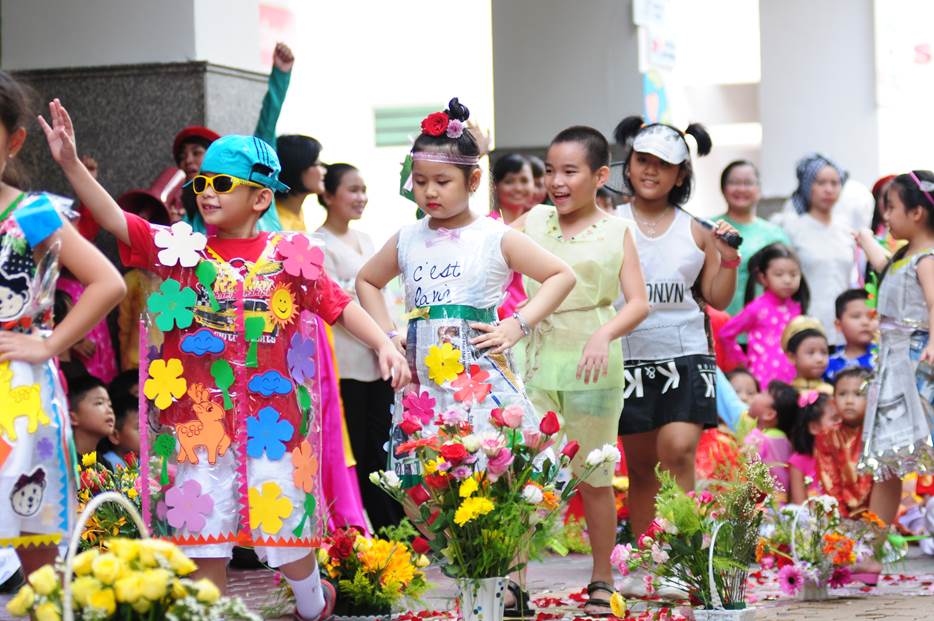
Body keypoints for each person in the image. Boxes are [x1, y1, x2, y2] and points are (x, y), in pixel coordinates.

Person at [42, 100, 409, 621]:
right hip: (197, 425)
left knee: (282, 529)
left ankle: (312, 600)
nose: (207, 191)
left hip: (273, 424)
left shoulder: (291, 257)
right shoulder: (180, 249)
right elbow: (115, 222)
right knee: (201, 535)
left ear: (261, 198)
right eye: (203, 182)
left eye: (222, 183)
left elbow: (341, 306)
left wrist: (383, 343)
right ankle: (207, 613)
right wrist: (72, 165)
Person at [356, 98, 576, 617]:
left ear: (474, 182)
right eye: (421, 180)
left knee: (497, 472)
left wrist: (516, 325)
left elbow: (561, 276)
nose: (429, 191)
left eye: (443, 181)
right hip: (423, 382)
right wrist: (387, 340)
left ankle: (506, 579)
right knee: (424, 480)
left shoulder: (495, 235)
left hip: (480, 375)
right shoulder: (407, 238)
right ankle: (473, 574)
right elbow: (366, 281)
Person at [516, 126, 648, 614]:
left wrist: (604, 332)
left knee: (593, 478)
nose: (557, 181)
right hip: (535, 361)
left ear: (599, 176)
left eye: (569, 171)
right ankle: (514, 580)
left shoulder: (618, 230)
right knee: (525, 474)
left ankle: (601, 579)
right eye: (550, 170)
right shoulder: (532, 221)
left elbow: (638, 303)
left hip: (595, 368)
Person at [0, 73, 124, 576]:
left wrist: (47, 345)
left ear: (14, 141)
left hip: (18, 386)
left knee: (35, 534)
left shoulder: (29, 214)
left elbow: (108, 283)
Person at [611, 116, 740, 590]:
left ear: (681, 174)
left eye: (663, 165)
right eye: (643, 161)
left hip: (686, 356)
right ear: (629, 163)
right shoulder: (608, 223)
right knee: (641, 468)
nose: (651, 171)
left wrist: (728, 260)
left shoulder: (700, 228)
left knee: (677, 450)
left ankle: (686, 564)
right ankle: (649, 564)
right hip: (627, 359)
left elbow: (718, 297)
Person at [316, 163, 402, 533]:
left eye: (364, 189)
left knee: (384, 447)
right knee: (361, 451)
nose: (360, 197)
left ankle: (394, 526)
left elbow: (385, 294)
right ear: (328, 195)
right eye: (352, 190)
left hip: (379, 360)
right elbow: (338, 305)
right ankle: (373, 530)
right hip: (346, 364)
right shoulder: (317, 244)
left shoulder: (368, 241)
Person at [854, 170, 934, 536]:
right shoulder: (905, 257)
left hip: (919, 364)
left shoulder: (927, 259)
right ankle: (873, 551)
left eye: (891, 208)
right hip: (893, 367)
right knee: (886, 460)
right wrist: (864, 238)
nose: (885, 216)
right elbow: (885, 266)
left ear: (916, 213)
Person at [169, 42, 296, 233]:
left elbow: (266, 128)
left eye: (197, 153)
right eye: (182, 157)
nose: (187, 161)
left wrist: (281, 75)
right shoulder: (189, 223)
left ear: (261, 199)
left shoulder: (257, 188)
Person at [777, 153, 857, 345]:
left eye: (835, 183)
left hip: (843, 332)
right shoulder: (791, 227)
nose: (829, 189)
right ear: (807, 186)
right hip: (805, 328)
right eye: (821, 183)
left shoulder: (847, 229)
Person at [718, 243, 808, 387]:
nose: (787, 280)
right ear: (763, 278)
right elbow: (726, 333)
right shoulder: (757, 309)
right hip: (762, 381)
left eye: (793, 274)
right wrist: (742, 362)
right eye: (779, 274)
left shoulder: (797, 309)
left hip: (794, 382)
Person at [714, 160, 790, 316]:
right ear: (723, 188)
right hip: (716, 325)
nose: (741, 189)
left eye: (748, 183)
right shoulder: (708, 228)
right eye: (734, 182)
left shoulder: (775, 234)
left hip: (763, 329)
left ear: (759, 189)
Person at [814, 367, 873, 518]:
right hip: (841, 513)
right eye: (842, 394)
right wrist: (840, 518)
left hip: (876, 512)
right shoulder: (826, 437)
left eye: (858, 394)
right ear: (833, 402)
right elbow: (830, 482)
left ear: (872, 398)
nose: (849, 401)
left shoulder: (877, 435)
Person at [489, 153, 532, 320]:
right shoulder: (487, 226)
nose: (518, 188)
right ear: (495, 186)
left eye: (524, 180)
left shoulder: (541, 224)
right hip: (499, 319)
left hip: (536, 315)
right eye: (509, 181)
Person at [743, 380, 797, 495]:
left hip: (760, 505)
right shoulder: (785, 440)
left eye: (763, 393)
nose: (756, 395)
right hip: (780, 503)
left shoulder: (756, 438)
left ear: (769, 414)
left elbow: (742, 461)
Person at [789, 390, 841, 504]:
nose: (841, 422)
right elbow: (800, 507)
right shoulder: (798, 462)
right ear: (814, 427)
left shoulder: (844, 455)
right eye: (835, 418)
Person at [824, 289, 877, 382]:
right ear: (839, 325)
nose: (865, 322)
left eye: (872, 317)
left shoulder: (884, 359)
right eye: (856, 316)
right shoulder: (827, 364)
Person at [276, 134, 326, 231]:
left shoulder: (297, 212)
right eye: (317, 164)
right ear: (297, 167)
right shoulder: (275, 223)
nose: (324, 171)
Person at [68, 374, 115, 459]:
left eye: (110, 405)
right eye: (99, 403)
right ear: (73, 418)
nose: (110, 410)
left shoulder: (104, 465)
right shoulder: (64, 463)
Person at [782, 316, 833, 394]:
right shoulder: (786, 394)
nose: (819, 359)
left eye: (824, 352)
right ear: (791, 357)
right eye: (811, 352)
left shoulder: (831, 393)